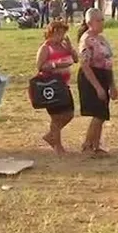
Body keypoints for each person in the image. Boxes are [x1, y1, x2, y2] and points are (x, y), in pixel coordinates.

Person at [77, 8, 118, 156]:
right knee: (98, 112)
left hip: (104, 74)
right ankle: (87, 144)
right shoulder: (87, 40)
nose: (101, 23)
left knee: (102, 113)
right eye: (98, 20)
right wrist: (97, 87)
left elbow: (108, 61)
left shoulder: (102, 39)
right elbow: (85, 65)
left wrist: (112, 84)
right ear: (89, 22)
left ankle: (96, 144)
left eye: (102, 20)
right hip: (92, 76)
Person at [35, 20, 77, 155]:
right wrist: (55, 65)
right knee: (56, 116)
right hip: (51, 85)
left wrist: (70, 48)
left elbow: (75, 59)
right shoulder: (45, 48)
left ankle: (51, 135)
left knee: (69, 114)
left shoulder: (63, 46)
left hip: (64, 85)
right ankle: (58, 145)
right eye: (58, 33)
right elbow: (40, 66)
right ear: (51, 33)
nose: (61, 36)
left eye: (63, 33)